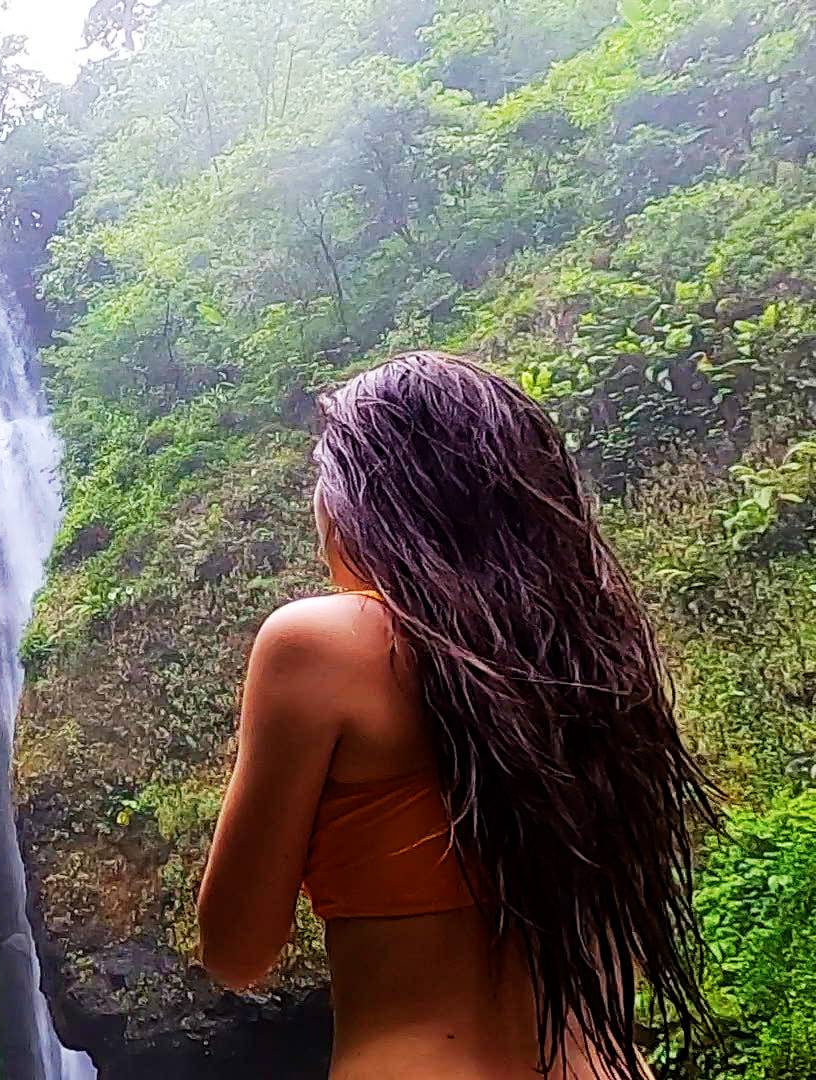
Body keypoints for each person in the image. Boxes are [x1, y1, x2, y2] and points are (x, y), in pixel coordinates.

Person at [196, 353, 718, 1079]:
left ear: (364, 498)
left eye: (323, 480)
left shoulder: (319, 645)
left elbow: (235, 949)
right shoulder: (594, 658)